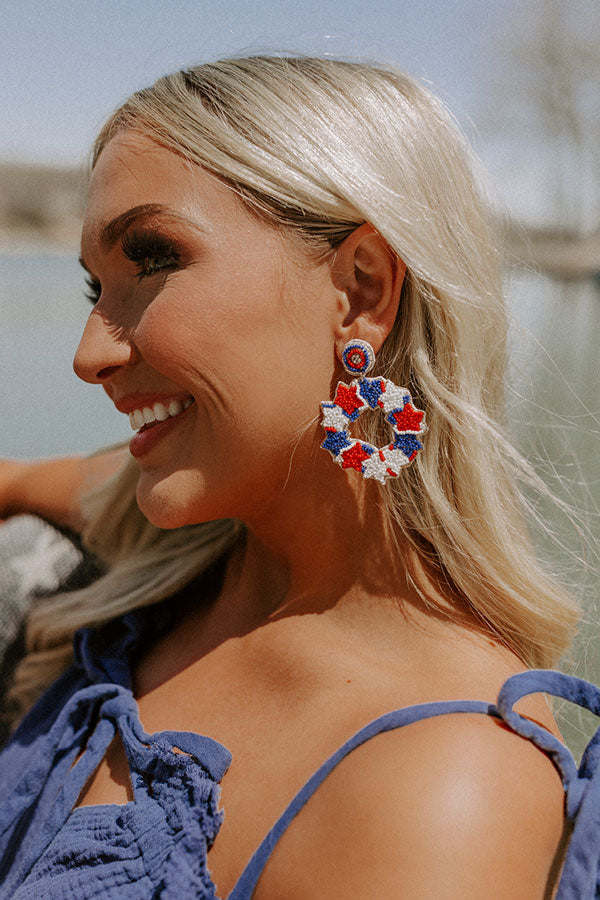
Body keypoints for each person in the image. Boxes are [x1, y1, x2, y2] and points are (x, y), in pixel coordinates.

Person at [0, 54, 597, 899]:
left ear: (360, 289)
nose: (90, 354)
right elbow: (29, 481)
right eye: (97, 286)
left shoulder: (440, 794)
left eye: (154, 258)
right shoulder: (175, 540)